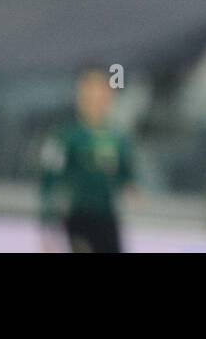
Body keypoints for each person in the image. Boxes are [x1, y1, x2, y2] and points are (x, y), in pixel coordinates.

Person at [38, 68, 137, 252]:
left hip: (107, 218)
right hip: (77, 217)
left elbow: (126, 174)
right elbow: (49, 182)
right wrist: (48, 225)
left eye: (102, 91)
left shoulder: (118, 138)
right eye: (90, 90)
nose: (96, 97)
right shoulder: (65, 137)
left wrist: (130, 186)